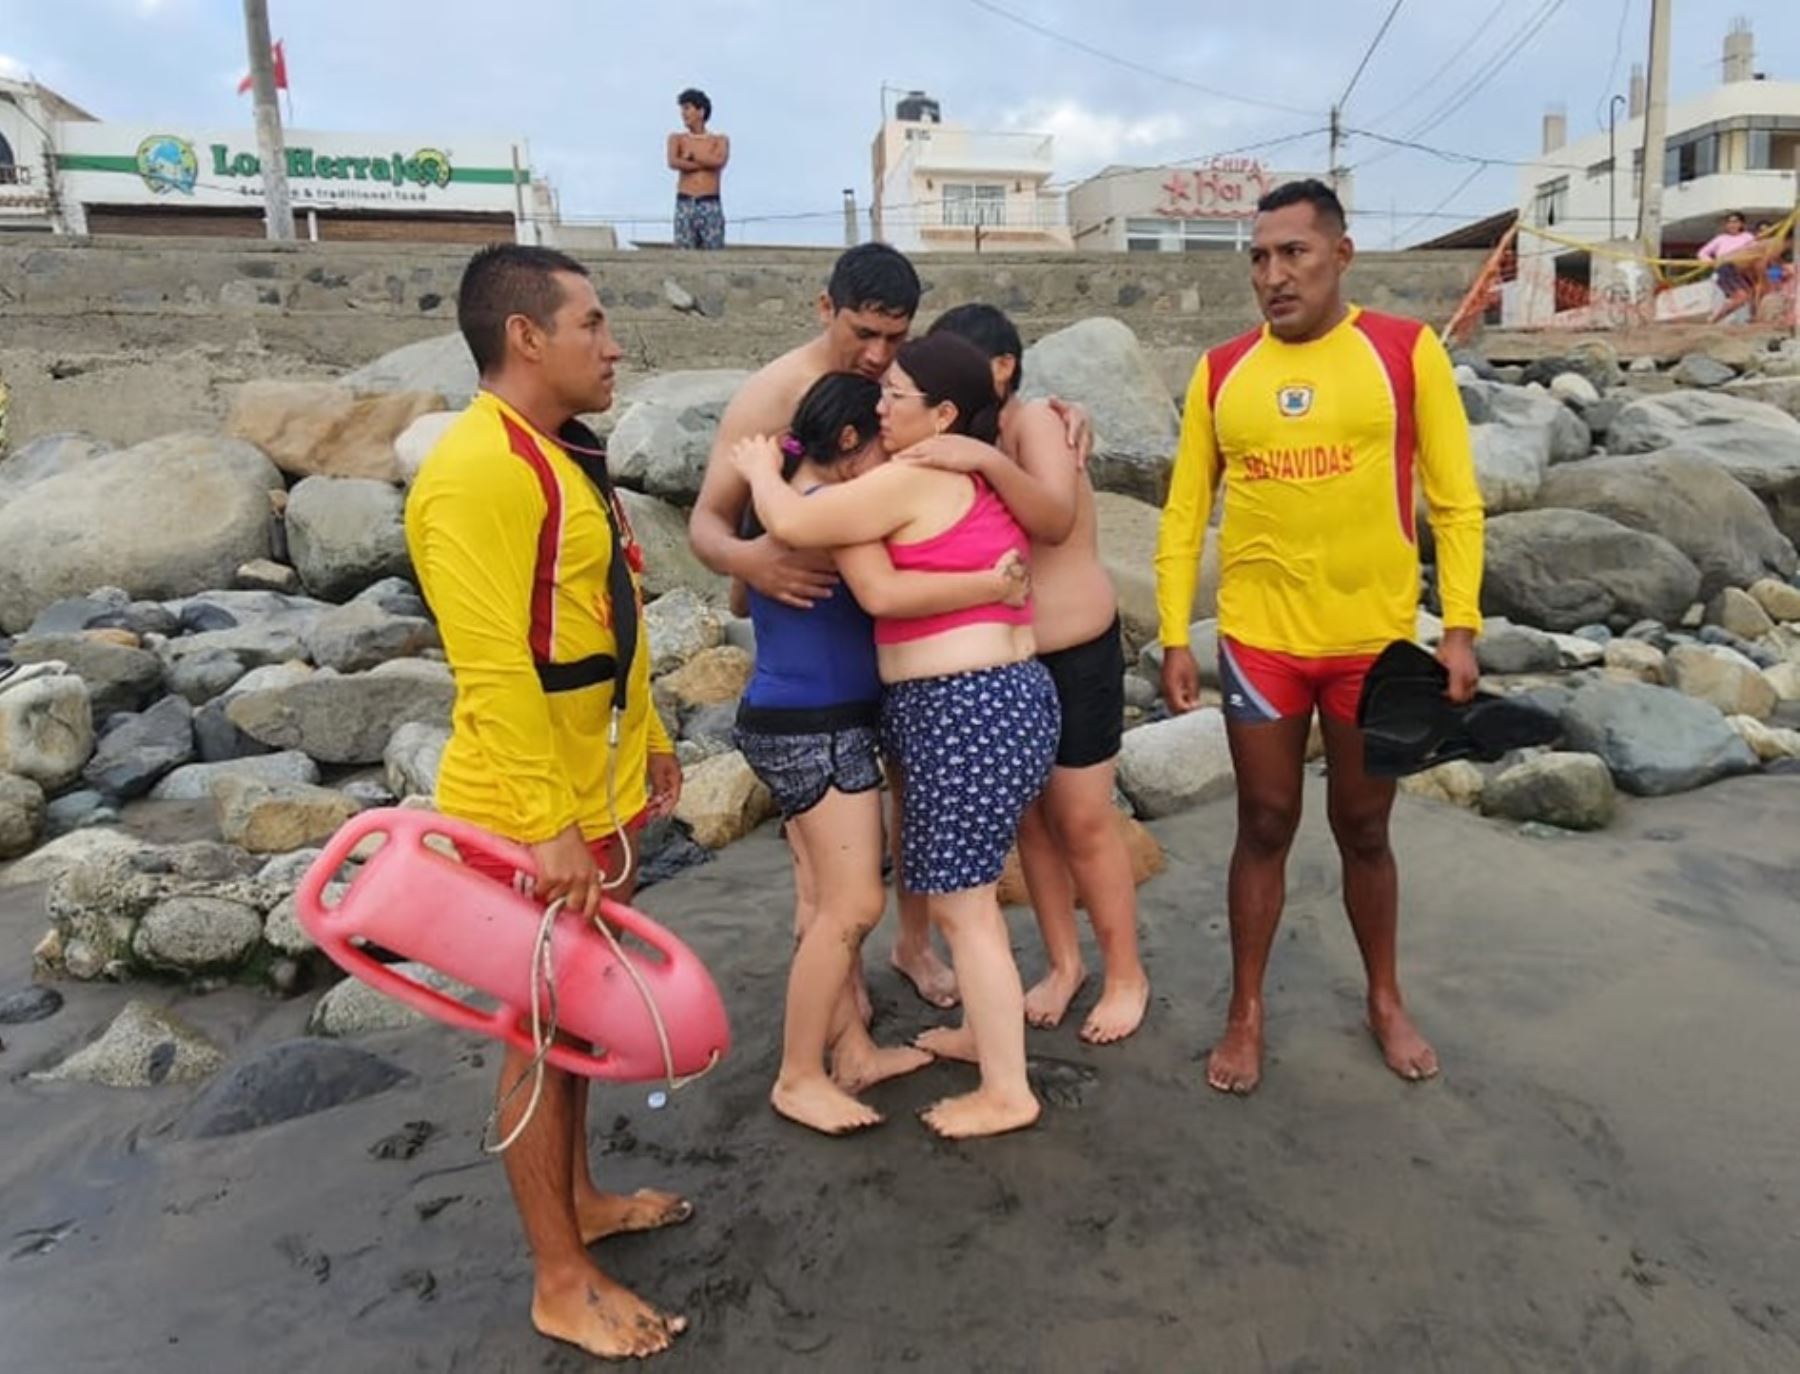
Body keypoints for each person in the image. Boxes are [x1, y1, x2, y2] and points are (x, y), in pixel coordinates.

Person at [406, 245, 689, 1360]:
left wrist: (653, 737)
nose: (612, 343)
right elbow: (493, 666)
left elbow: (595, 620)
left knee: (573, 1023)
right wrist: (547, 826)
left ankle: (579, 1200)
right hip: (531, 815)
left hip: (594, 794)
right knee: (535, 1033)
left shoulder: (562, 454)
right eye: (591, 322)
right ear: (525, 336)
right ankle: (558, 1278)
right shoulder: (475, 469)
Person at [690, 243, 1089, 1012]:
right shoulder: (773, 396)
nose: (877, 356)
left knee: (916, 817)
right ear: (824, 309)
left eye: (893, 339)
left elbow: (972, 403)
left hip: (908, 657)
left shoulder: (897, 392)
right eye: (862, 333)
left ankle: (910, 948)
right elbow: (709, 522)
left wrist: (1063, 415)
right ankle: (840, 1005)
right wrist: (754, 563)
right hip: (822, 651)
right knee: (826, 868)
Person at [1153, 179, 1485, 1096]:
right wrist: (1177, 630)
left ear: (1342, 254)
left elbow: (1454, 502)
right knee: (1262, 822)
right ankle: (1244, 1012)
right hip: (1261, 640)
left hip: (1374, 645)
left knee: (1364, 826)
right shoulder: (1222, 371)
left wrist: (1459, 626)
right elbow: (1185, 512)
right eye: (1259, 257)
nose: (1273, 274)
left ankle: (1384, 996)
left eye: (1293, 252)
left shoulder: (1405, 351)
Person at [733, 332, 1060, 1139]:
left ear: (943, 414)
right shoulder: (968, 475)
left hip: (965, 708)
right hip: (1004, 701)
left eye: (898, 396)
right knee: (958, 897)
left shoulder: (910, 478)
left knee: (962, 908)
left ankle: (1006, 1090)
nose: (883, 403)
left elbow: (790, 520)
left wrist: (752, 468)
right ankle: (979, 1037)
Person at [913, 304, 1149, 1044]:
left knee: (1082, 821)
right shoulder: (971, 434)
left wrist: (984, 461)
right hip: (1014, 666)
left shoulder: (1039, 424)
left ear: (1002, 367)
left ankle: (1125, 974)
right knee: (1033, 824)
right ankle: (1063, 962)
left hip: (1078, 653)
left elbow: (1049, 519)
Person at [668, 88, 728, 250]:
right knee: (684, 252)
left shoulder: (719, 140)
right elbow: (673, 162)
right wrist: (705, 163)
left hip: (710, 202)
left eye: (687, 108)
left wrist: (692, 156)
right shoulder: (677, 138)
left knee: (714, 252)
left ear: (701, 111)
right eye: (682, 109)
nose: (683, 113)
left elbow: (719, 161)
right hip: (685, 201)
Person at [1699, 211, 1758, 323]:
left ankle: (1718, 320)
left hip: (1744, 271)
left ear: (1742, 224)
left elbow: (1755, 252)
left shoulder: (1748, 237)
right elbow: (1702, 253)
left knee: (1744, 299)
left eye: (1735, 222)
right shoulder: (1720, 238)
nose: (1732, 225)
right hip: (1725, 270)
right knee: (1741, 297)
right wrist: (1712, 262)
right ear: (1726, 225)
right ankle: (1715, 320)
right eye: (1729, 222)